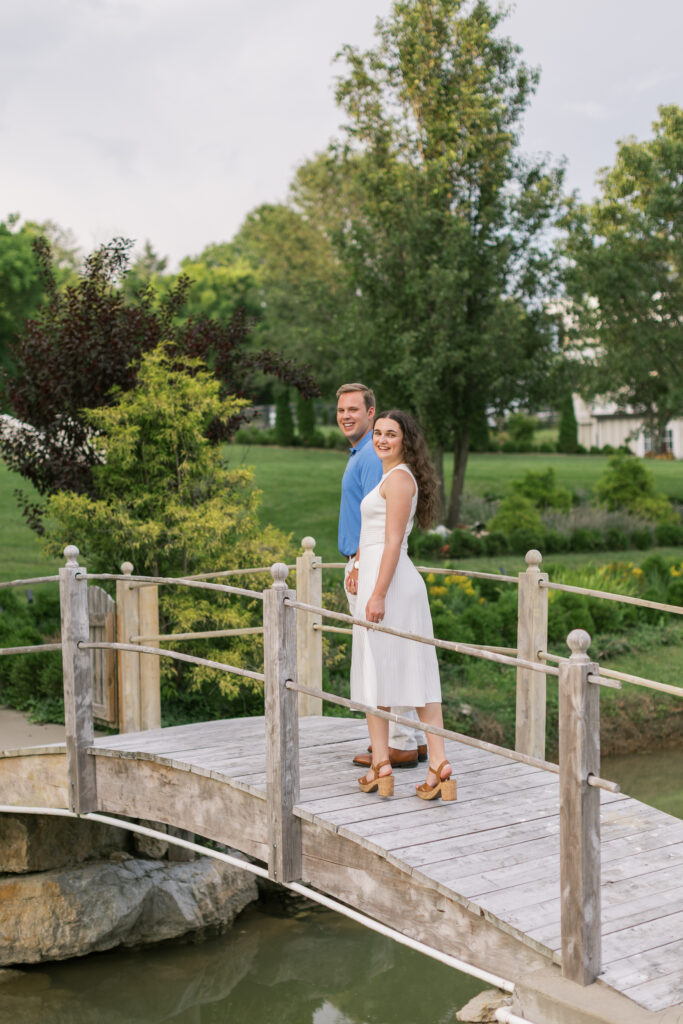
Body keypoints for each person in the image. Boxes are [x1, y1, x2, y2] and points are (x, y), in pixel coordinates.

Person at [351, 410, 456, 801]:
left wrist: (377, 593)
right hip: (379, 576)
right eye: (377, 433)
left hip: (392, 584)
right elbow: (374, 535)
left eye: (390, 434)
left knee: (407, 671)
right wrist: (359, 565)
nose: (380, 439)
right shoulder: (389, 476)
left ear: (405, 440)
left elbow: (393, 541)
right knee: (383, 671)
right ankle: (393, 764)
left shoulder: (399, 480)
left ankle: (427, 763)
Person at [336, 384, 426, 769]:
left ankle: (397, 741)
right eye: (341, 409)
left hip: (369, 566)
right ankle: (410, 739)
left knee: (381, 655)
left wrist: (357, 564)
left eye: (354, 409)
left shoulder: (375, 457)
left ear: (371, 414)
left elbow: (384, 525)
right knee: (388, 650)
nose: (346, 416)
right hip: (367, 562)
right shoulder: (362, 453)